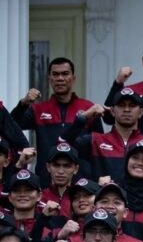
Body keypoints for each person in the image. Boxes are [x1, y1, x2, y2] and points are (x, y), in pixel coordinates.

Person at [10, 57, 100, 189]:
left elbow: (97, 146)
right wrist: (23, 103)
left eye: (65, 74)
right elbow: (12, 127)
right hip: (46, 182)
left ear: (73, 78)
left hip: (81, 184)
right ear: (49, 79)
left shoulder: (88, 108)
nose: (60, 78)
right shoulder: (38, 109)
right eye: (55, 74)